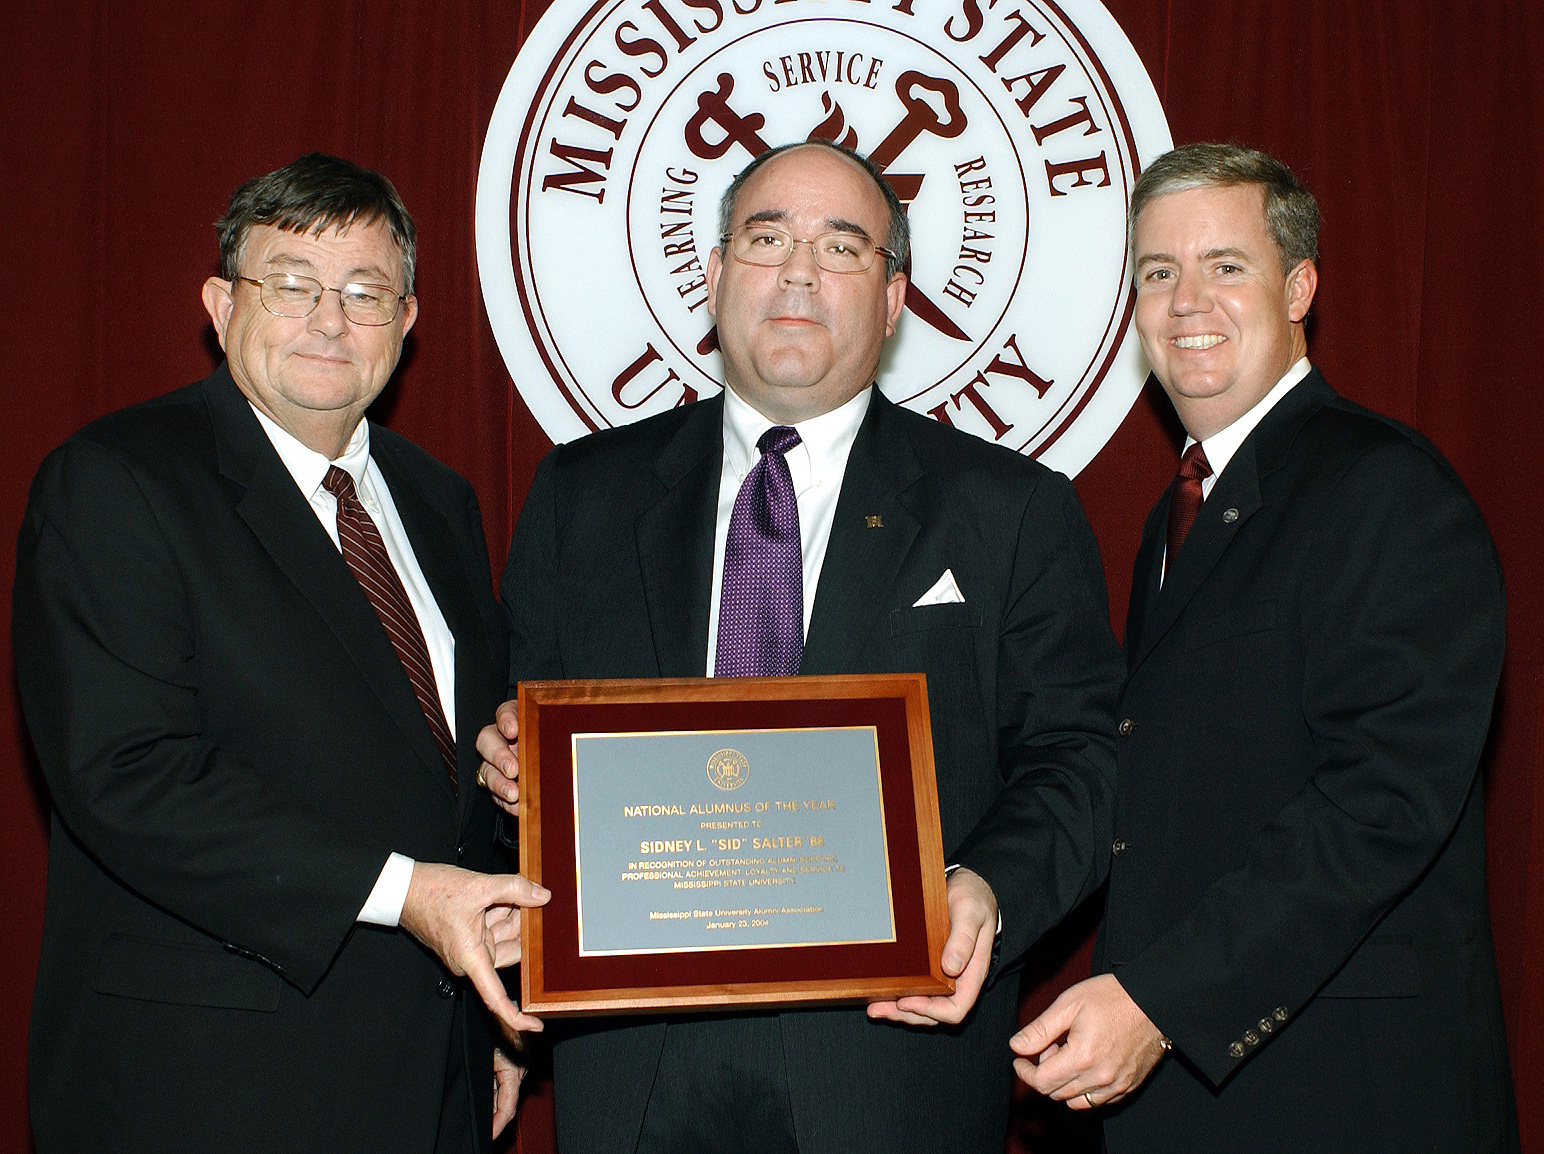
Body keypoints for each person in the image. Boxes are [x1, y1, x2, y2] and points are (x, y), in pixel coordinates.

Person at [474, 139, 1123, 1153]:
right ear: (715, 272)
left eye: (841, 245)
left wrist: (985, 887)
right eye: (765, 236)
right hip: (628, 1065)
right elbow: (508, 761)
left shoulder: (1008, 511)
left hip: (885, 1065)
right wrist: (511, 774)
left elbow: (1077, 754)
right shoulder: (579, 496)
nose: (796, 270)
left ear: (895, 295)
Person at [13, 153, 550, 1154]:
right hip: (207, 1083)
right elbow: (127, 773)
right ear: (221, 306)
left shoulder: (438, 502)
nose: (330, 320)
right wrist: (410, 893)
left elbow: (445, 783)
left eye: (365, 291)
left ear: (408, 319)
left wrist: (505, 997)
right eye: (291, 285)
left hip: (428, 1074)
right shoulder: (119, 480)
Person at [1010, 143, 1519, 1152]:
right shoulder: (1176, 516)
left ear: (1298, 286)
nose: (1185, 300)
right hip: (1201, 1096)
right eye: (1158, 272)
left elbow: (1382, 801)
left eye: (1223, 265)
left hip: (1343, 1092)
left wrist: (1158, 999)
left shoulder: (1381, 488)